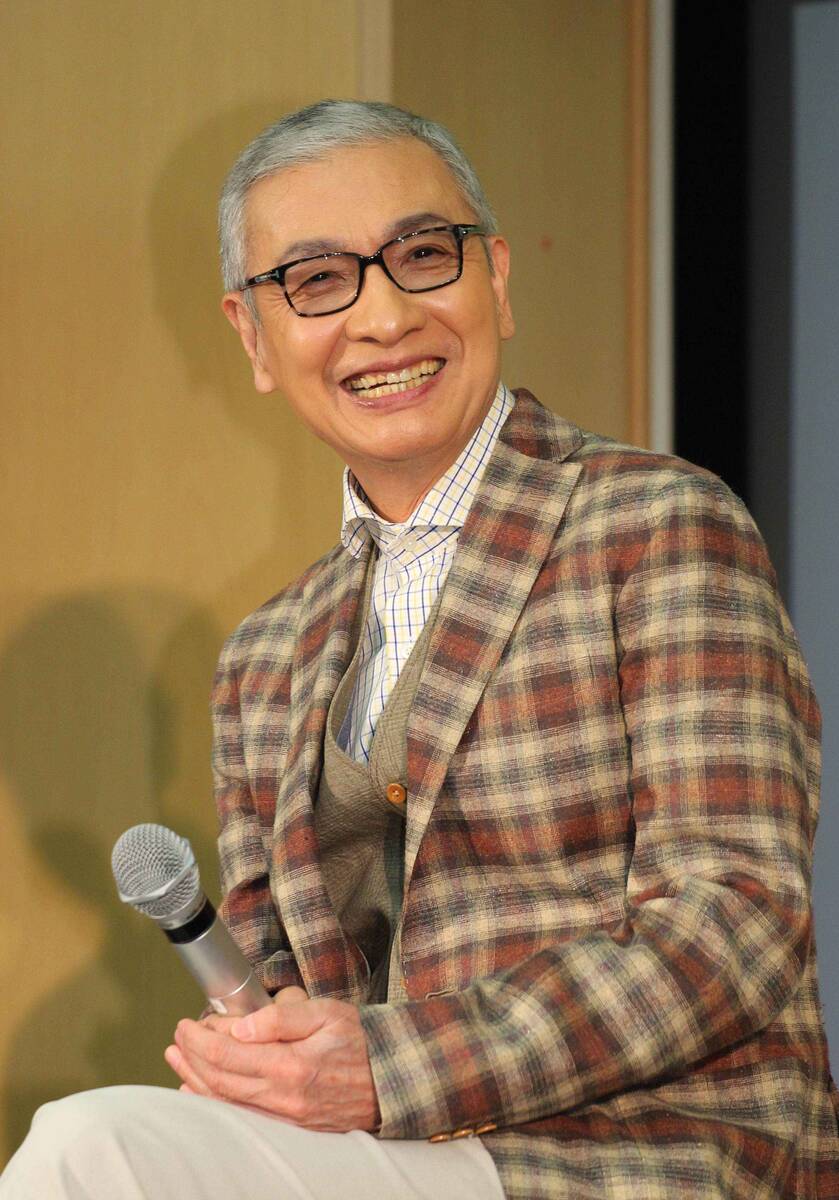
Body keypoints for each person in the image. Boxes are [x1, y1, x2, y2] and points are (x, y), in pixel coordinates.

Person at [3, 99, 838, 1200]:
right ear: (252, 337)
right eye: (316, 280)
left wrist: (390, 1067)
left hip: (644, 1156)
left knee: (91, 1148)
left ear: (496, 279)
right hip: (381, 1156)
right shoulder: (263, 658)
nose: (384, 316)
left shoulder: (655, 526)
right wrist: (263, 1052)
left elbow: (733, 923)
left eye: (422, 255)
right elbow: (277, 973)